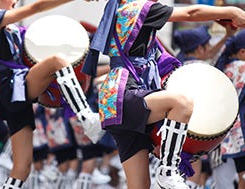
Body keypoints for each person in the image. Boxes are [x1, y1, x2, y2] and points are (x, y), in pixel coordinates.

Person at [82, 1, 245, 189]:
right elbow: (192, 12)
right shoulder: (139, 8)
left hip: (115, 103)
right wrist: (231, 11)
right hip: (124, 94)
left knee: (140, 185)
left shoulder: (126, 10)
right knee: (181, 103)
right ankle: (168, 170)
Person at [0, 0, 102, 188]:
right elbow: (36, 7)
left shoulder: (10, 26)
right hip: (11, 85)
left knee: (22, 168)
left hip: (17, 91)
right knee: (57, 60)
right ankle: (87, 118)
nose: (15, 0)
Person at [173, 24, 237, 189]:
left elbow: (210, 54)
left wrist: (225, 37)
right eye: (208, 45)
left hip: (174, 130)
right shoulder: (205, 70)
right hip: (198, 132)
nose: (211, 48)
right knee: (193, 170)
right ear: (200, 49)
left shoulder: (176, 67)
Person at [213, 29, 245, 189]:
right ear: (242, 52)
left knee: (233, 180)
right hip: (241, 133)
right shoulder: (242, 67)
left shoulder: (225, 66)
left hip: (226, 135)